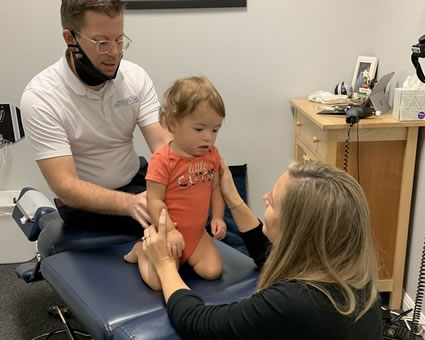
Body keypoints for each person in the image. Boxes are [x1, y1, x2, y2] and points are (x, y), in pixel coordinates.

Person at [142, 159, 382, 339]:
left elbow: (199, 324)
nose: (265, 197)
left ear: (296, 228)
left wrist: (164, 264)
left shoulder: (294, 301)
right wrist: (233, 198)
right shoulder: (355, 277)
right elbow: (266, 254)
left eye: (273, 201)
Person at [20, 0, 171, 235]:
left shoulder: (135, 77)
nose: (115, 53)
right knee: (163, 233)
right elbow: (66, 186)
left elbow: (164, 146)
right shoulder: (41, 97)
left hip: (136, 182)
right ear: (70, 39)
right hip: (83, 204)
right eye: (102, 43)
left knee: (195, 216)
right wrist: (131, 205)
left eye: (120, 40)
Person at [124, 76, 227, 290]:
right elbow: (154, 200)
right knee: (157, 284)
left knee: (212, 272)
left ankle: (186, 256)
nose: (208, 137)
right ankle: (143, 251)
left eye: (215, 130)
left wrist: (218, 217)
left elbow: (216, 188)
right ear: (173, 123)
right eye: (199, 129)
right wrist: (170, 231)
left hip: (196, 234)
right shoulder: (163, 160)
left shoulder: (212, 155)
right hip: (166, 235)